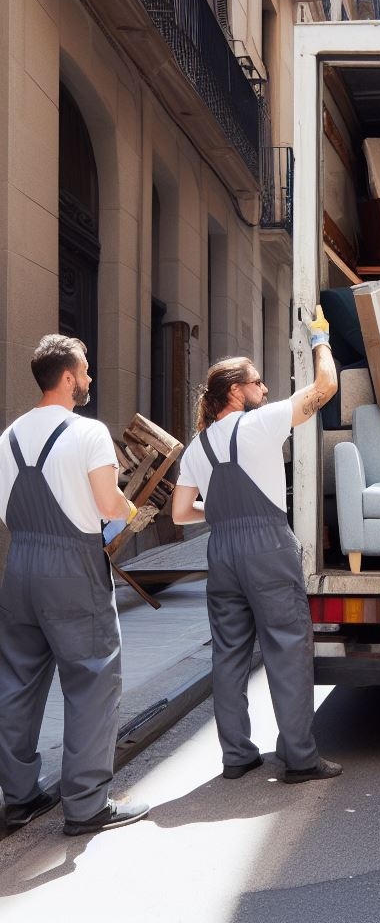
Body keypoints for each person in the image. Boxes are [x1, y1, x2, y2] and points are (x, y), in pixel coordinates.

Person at [171, 306, 341, 783]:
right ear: (235, 391)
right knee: (288, 648)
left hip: (221, 551)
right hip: (267, 547)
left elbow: (182, 513)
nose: (265, 390)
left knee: (227, 654)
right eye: (258, 382)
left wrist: (223, 514)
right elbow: (325, 388)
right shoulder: (262, 423)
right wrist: (319, 339)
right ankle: (300, 759)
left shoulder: (197, 446)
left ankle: (237, 756)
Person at [0, 335, 149, 835]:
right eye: (84, 371)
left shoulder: (8, 437)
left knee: (17, 681)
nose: (88, 379)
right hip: (72, 569)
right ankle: (86, 806)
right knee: (92, 680)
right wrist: (132, 512)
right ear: (67, 377)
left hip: (19, 564)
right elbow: (109, 507)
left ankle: (19, 797)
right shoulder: (88, 433)